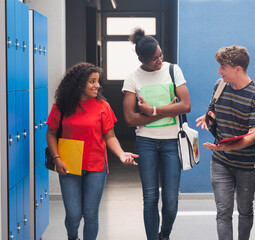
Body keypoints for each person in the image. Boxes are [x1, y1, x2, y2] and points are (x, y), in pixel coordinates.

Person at [46, 62, 138, 240]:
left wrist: (121, 153)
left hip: (96, 166)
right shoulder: (61, 106)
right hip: (68, 165)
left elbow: (110, 137)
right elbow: (50, 133)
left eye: (97, 81)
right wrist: (57, 158)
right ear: (79, 84)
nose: (97, 85)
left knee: (91, 215)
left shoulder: (102, 106)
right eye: (92, 81)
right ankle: (72, 237)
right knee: (73, 216)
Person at [122, 28, 191, 240]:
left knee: (170, 200)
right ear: (141, 58)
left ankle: (164, 235)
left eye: (160, 55)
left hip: (172, 142)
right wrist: (167, 110)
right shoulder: (132, 78)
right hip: (146, 143)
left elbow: (186, 106)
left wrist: (152, 111)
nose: (159, 61)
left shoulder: (173, 70)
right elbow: (130, 119)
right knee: (150, 198)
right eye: (154, 59)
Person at [196, 45, 255, 240]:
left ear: (238, 68)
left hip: (246, 164)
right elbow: (212, 108)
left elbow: (253, 135)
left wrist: (230, 146)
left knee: (245, 211)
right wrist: (208, 117)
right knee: (223, 212)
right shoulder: (219, 85)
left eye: (223, 67)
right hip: (220, 160)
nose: (219, 71)